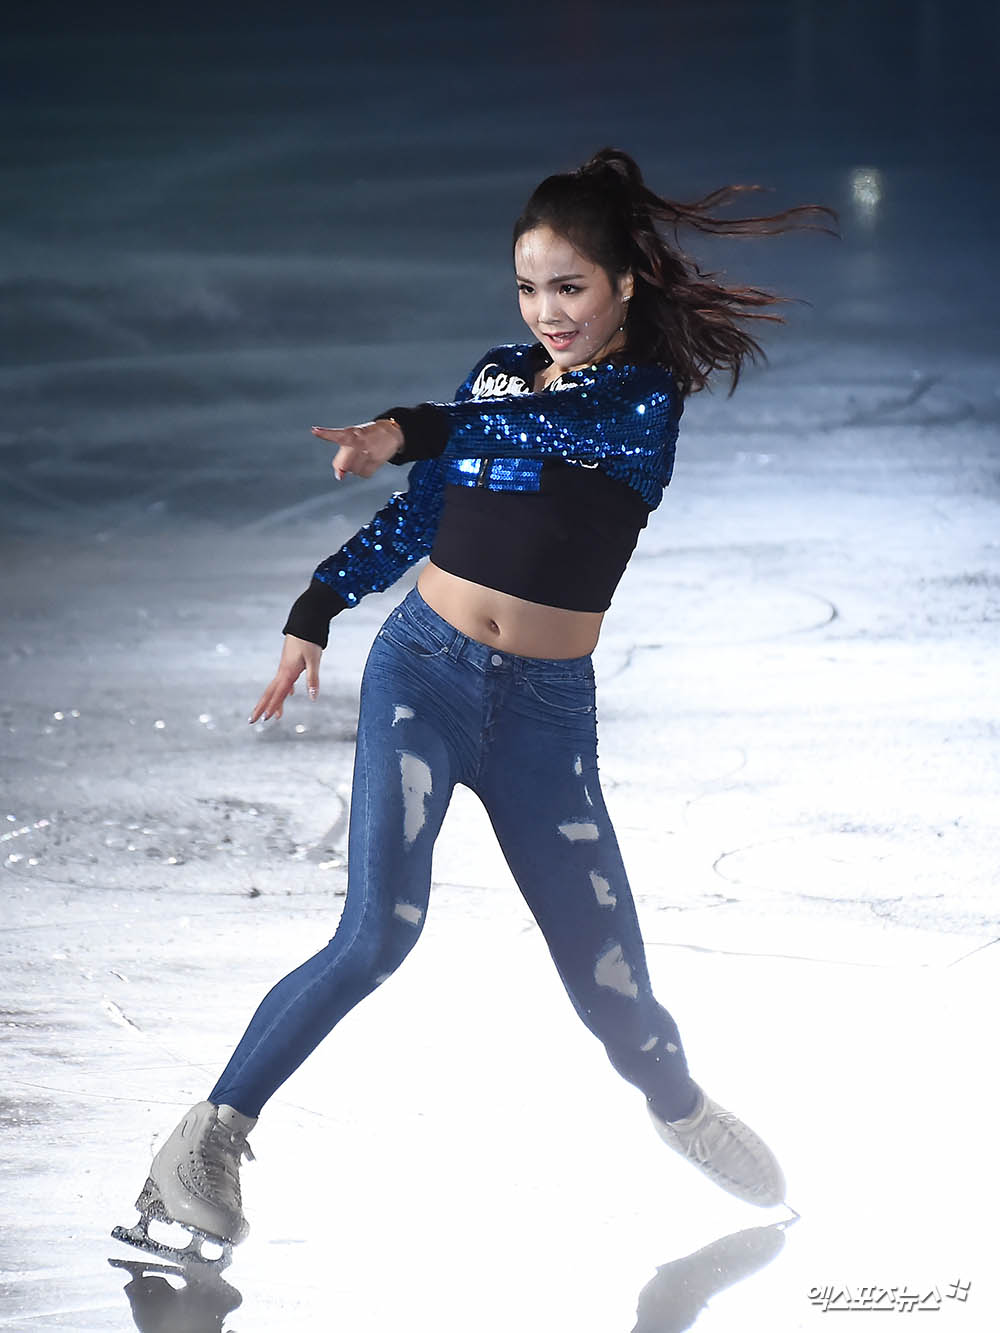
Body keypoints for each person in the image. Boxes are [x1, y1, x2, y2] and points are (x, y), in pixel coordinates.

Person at [113, 148, 838, 1264]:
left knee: (612, 988)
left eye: (570, 287)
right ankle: (205, 1141)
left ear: (624, 284)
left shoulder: (639, 402)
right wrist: (320, 600)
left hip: (544, 716)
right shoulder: (497, 380)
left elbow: (527, 433)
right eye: (529, 288)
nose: (547, 312)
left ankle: (677, 1100)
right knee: (376, 933)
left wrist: (414, 424)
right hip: (425, 673)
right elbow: (425, 515)